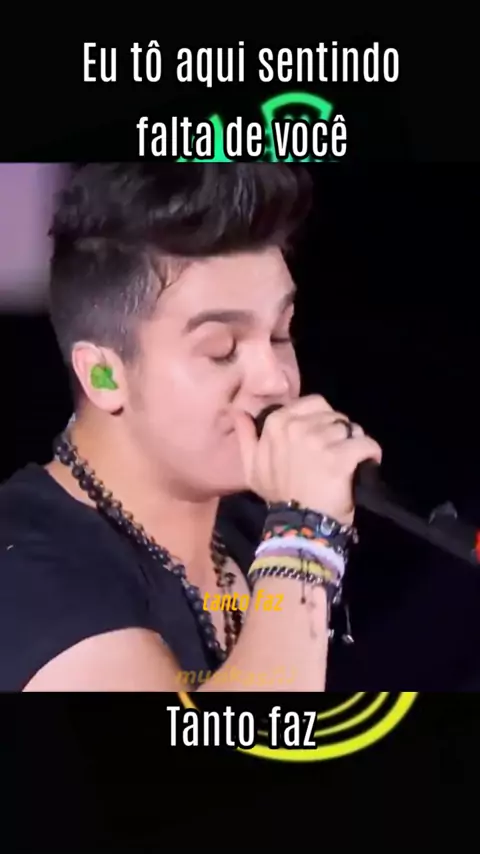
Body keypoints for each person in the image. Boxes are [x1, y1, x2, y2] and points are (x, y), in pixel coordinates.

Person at [0, 163, 381, 692]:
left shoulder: (251, 531)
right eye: (221, 349)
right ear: (104, 375)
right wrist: (303, 537)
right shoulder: (23, 564)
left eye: (279, 334)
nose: (274, 380)